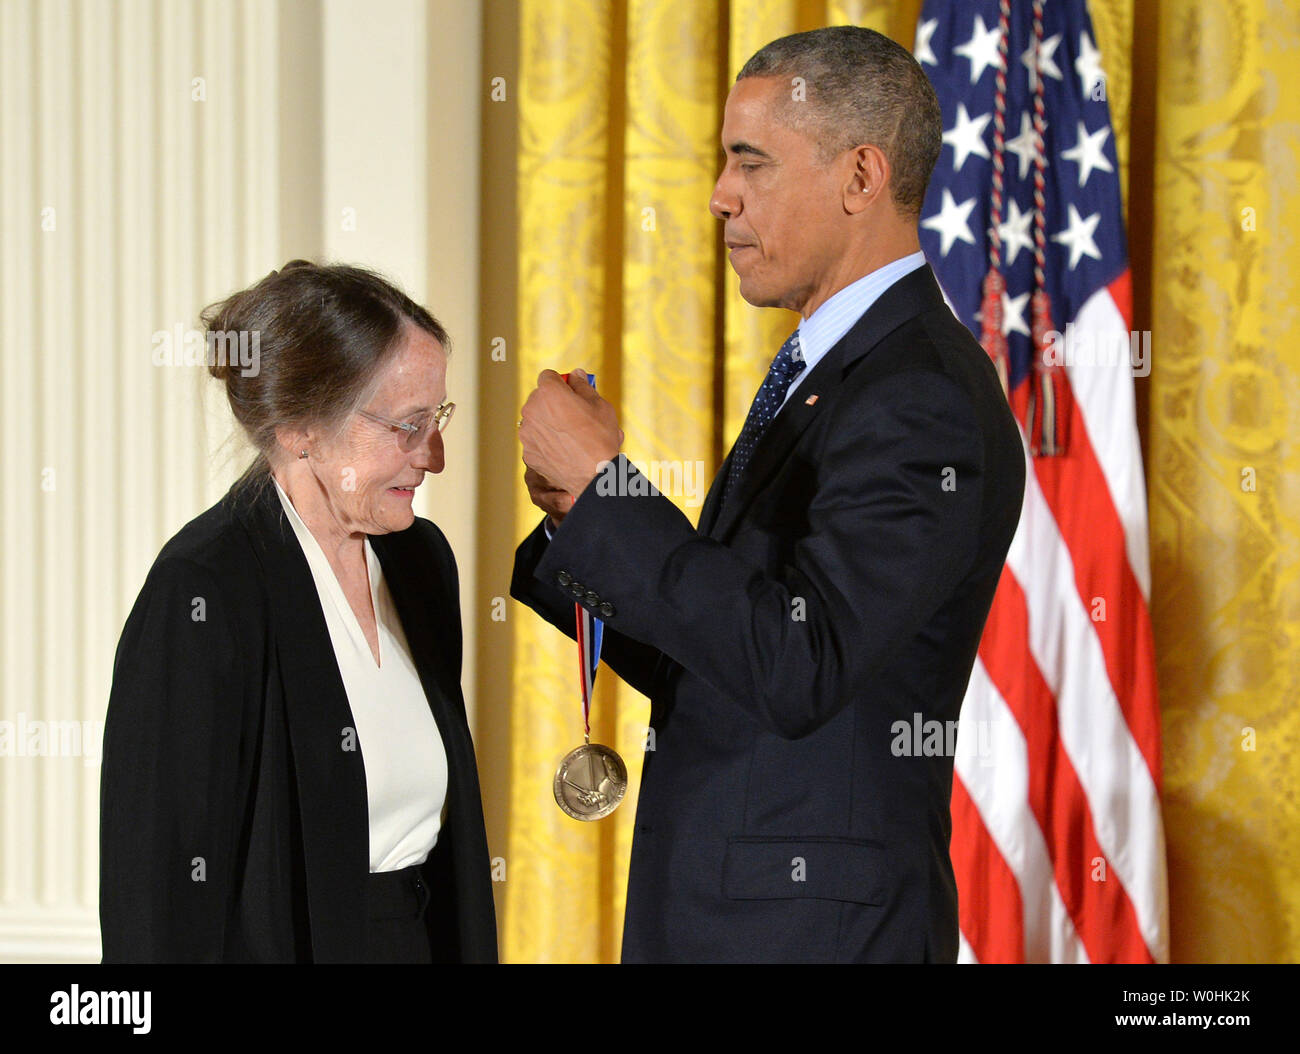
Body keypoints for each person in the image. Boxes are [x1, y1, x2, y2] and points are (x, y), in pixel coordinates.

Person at [511, 26, 1026, 962]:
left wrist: (608, 488)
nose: (719, 197)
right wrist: (580, 518)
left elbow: (802, 665)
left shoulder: (920, 395)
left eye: (751, 163)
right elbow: (727, 659)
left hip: (811, 935)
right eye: (722, 162)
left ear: (861, 177)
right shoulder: (835, 368)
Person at [100, 261, 497, 963]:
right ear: (299, 427)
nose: (432, 455)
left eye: (436, 418)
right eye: (407, 426)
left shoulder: (418, 562)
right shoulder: (205, 592)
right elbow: (158, 900)